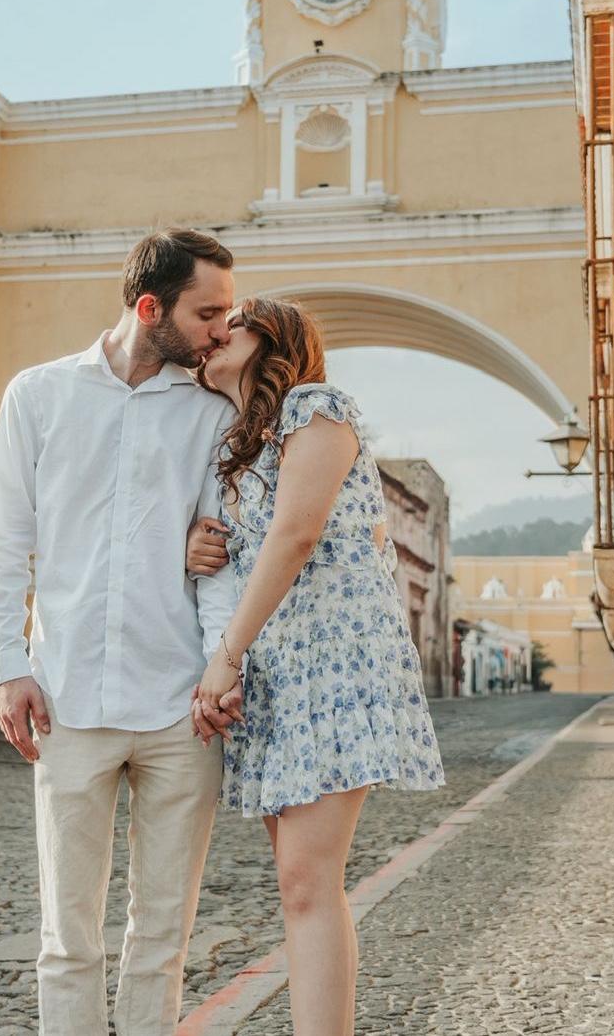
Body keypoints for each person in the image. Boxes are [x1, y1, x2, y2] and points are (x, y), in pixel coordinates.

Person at [0, 228, 244, 1036]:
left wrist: (218, 671)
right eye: (207, 314)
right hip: (67, 700)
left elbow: (220, 558)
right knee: (68, 939)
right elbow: (3, 544)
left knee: (163, 938)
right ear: (150, 308)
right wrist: (8, 664)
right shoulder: (37, 396)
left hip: (179, 708)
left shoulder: (212, 415)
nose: (221, 331)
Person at [185, 296, 445, 1036]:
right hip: (282, 672)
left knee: (308, 881)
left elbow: (297, 534)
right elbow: (245, 553)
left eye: (232, 321)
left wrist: (225, 658)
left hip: (335, 664)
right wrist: (196, 547)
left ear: (273, 336)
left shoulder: (315, 407)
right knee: (301, 885)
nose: (214, 334)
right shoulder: (240, 446)